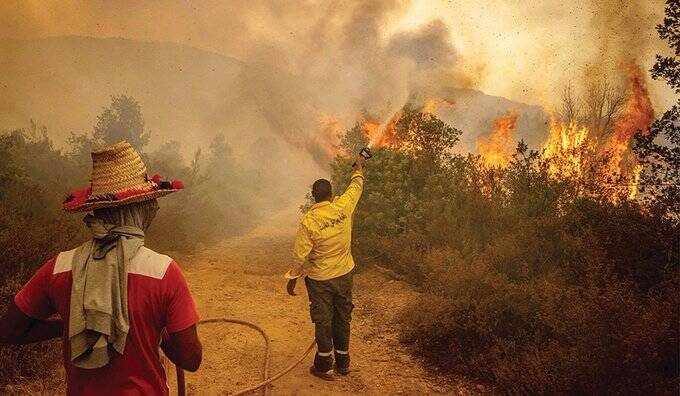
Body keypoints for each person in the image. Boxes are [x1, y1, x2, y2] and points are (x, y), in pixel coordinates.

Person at [0, 140, 202, 395]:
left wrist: (76, 324)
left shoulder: (59, 267)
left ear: (98, 210)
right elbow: (191, 359)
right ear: (141, 209)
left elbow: (8, 330)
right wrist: (157, 333)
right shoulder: (164, 272)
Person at [285, 155, 366, 380]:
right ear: (330, 195)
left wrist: (292, 279)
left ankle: (324, 366)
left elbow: (300, 255)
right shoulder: (343, 206)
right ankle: (343, 363)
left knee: (323, 320)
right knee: (342, 317)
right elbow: (355, 187)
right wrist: (359, 168)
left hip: (320, 280)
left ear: (314, 197)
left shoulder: (309, 221)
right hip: (344, 276)